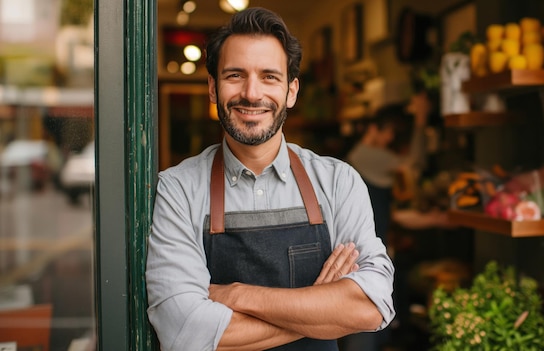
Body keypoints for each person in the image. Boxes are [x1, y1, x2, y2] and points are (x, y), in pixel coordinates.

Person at [145, 7, 395, 351]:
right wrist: (321, 309)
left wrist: (237, 295)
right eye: (235, 75)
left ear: (291, 91)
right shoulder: (179, 189)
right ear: (213, 88)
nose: (251, 93)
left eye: (269, 77)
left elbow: (371, 306)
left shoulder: (338, 182)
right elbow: (183, 332)